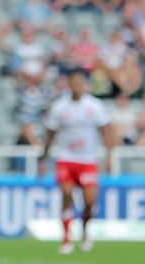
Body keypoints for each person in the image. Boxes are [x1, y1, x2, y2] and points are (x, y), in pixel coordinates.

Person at [38, 70, 113, 254]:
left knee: (89, 202)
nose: (76, 87)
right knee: (67, 194)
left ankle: (85, 231)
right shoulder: (60, 107)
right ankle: (66, 239)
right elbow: (51, 134)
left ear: (85, 85)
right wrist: (44, 158)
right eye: (73, 83)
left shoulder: (94, 106)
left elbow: (105, 132)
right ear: (69, 85)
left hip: (87, 160)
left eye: (80, 83)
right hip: (65, 158)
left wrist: (109, 157)